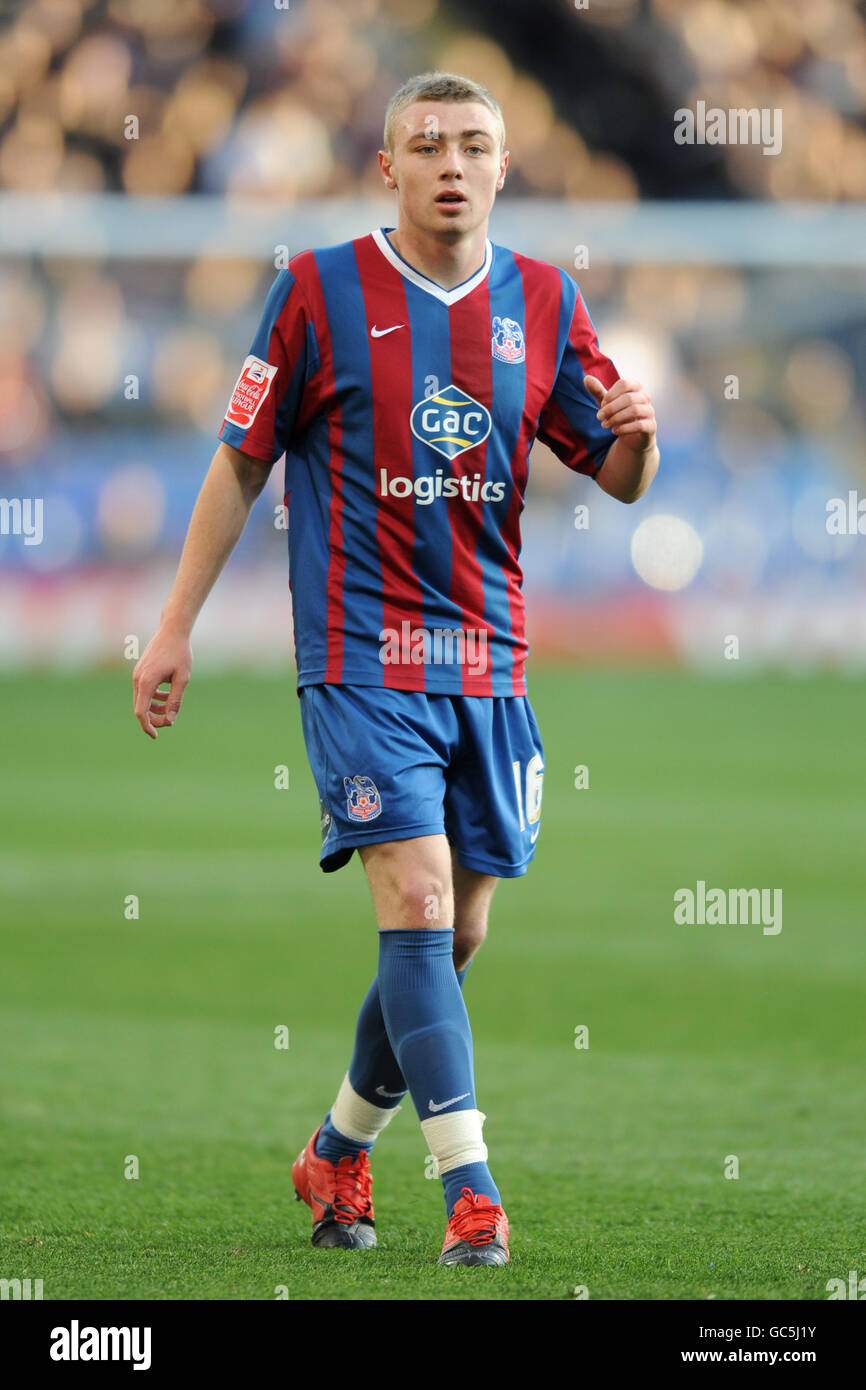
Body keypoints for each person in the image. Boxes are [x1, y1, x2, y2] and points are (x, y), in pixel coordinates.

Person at [132, 71, 659, 1267]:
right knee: (418, 905)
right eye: (426, 145)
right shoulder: (315, 289)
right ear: (388, 167)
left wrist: (639, 432)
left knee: (455, 933)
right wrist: (172, 629)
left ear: (503, 166)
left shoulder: (542, 296)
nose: (451, 165)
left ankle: (337, 1143)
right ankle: (470, 1190)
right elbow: (236, 463)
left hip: (490, 662)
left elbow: (615, 474)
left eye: (474, 145)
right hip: (361, 656)